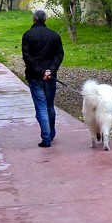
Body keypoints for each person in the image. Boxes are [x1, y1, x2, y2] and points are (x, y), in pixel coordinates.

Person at [21, 9, 64, 147]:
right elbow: (59, 55)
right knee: (50, 106)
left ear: (34, 19)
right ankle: (51, 133)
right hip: (50, 77)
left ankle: (46, 138)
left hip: (35, 77)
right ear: (45, 19)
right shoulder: (54, 35)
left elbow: (27, 57)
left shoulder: (27, 35)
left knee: (41, 107)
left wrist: (40, 72)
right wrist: (50, 70)